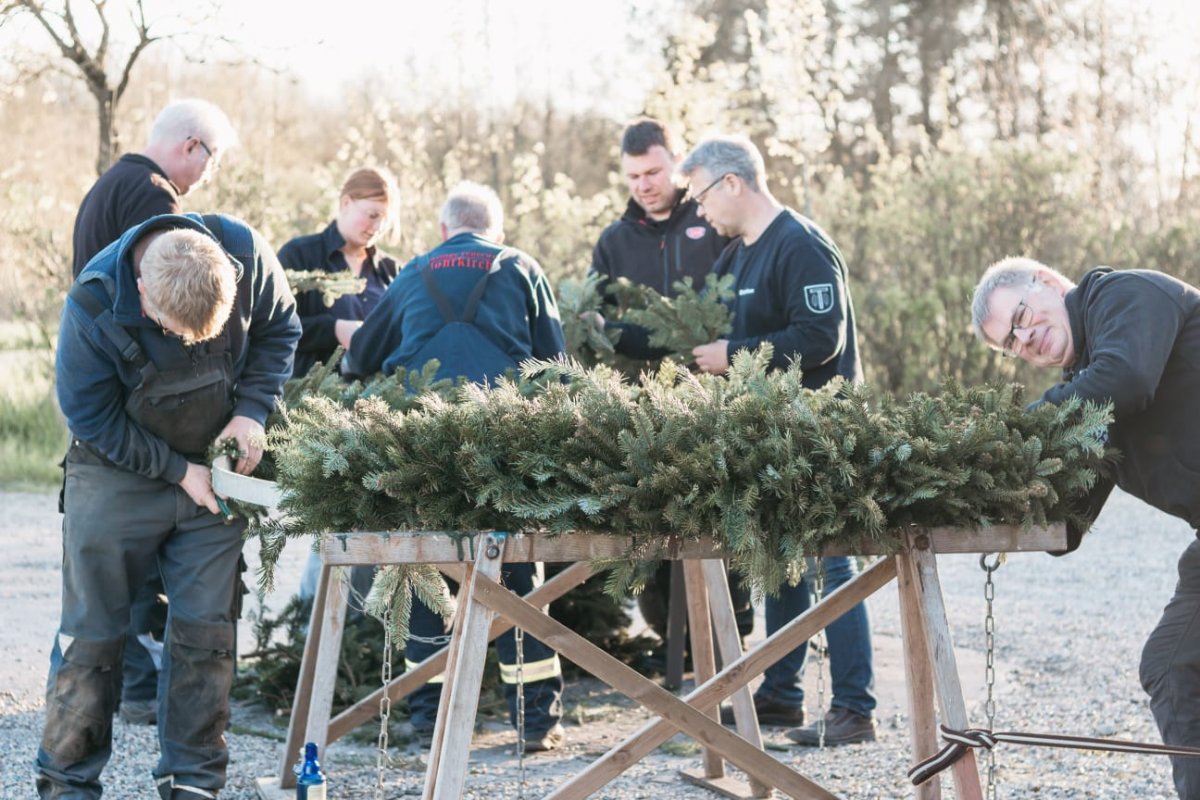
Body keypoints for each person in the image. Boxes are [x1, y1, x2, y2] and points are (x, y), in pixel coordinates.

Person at [37, 213, 300, 799]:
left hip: (215, 468)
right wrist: (179, 472)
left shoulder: (247, 254)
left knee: (207, 635)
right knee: (91, 639)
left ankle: (194, 785)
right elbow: (91, 417)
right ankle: (66, 785)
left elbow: (281, 328)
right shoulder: (92, 303)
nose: (189, 347)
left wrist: (251, 410)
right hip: (115, 472)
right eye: (173, 331)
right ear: (142, 293)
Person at [343, 181, 568, 752]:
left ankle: (429, 720)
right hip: (506, 443)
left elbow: (362, 356)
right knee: (518, 575)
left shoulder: (415, 271)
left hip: (422, 447)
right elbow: (558, 366)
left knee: (426, 570)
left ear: (445, 230)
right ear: (496, 231)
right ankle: (536, 722)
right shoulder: (520, 267)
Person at [971, 256, 1200, 799]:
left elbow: (1127, 379)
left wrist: (1019, 426)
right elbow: (1068, 523)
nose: (1026, 340)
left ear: (1048, 282)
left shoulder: (1125, 296)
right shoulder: (1084, 394)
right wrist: (979, 507)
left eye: (1021, 317)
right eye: (1011, 343)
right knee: (1171, 667)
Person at [683, 134, 877, 745]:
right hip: (769, 434)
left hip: (818, 428)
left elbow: (821, 339)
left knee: (831, 560)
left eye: (700, 196)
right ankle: (782, 695)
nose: (699, 210)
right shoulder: (736, 256)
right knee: (782, 561)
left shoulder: (801, 246)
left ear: (732, 182)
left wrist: (734, 355)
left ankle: (855, 708)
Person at [69, 97, 237, 727]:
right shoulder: (155, 202)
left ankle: (139, 685)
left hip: (111, 397)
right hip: (133, 412)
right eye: (210, 161)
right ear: (191, 145)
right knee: (139, 557)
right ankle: (142, 686)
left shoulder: (111, 184)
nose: (206, 177)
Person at [586, 117, 751, 670]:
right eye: (633, 176)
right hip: (644, 409)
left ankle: (731, 641)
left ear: (677, 163)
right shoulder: (614, 242)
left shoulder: (711, 221)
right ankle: (670, 643)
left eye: (653, 172)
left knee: (720, 517)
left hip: (716, 399)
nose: (644, 185)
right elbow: (598, 320)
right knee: (655, 524)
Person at [277, 166, 401, 378]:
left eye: (385, 219)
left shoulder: (391, 270)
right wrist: (333, 329)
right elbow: (274, 327)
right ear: (346, 203)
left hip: (380, 395)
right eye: (372, 215)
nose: (378, 227)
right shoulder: (299, 255)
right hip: (310, 392)